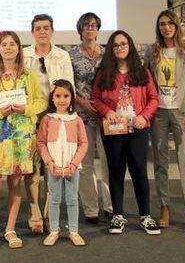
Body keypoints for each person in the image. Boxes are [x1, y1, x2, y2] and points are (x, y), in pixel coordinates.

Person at [0, 31, 47, 249]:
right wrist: (0, 112)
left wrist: (25, 108)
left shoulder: (29, 77)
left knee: (15, 183)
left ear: (19, 48)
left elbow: (41, 102)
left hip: (22, 136)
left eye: (12, 44)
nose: (8, 48)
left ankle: (10, 229)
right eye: (4, 44)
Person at [91, 30, 160, 235]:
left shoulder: (142, 72)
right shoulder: (104, 72)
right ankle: (117, 215)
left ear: (129, 46)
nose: (120, 47)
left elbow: (154, 99)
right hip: (114, 130)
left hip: (138, 129)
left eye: (123, 43)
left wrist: (144, 116)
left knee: (139, 171)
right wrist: (108, 111)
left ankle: (145, 216)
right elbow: (95, 98)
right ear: (111, 49)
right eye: (115, 45)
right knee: (116, 171)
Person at [144, 10, 185, 232]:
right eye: (162, 24)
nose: (166, 27)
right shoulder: (152, 50)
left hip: (181, 111)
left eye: (170, 23)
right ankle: (164, 207)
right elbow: (147, 82)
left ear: (177, 25)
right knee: (160, 163)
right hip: (159, 113)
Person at [23, 13, 74, 233]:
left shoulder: (62, 55)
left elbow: (69, 87)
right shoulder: (24, 55)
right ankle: (34, 215)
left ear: (52, 31)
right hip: (29, 117)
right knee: (32, 169)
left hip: (54, 117)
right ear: (32, 31)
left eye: (46, 28)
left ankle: (48, 215)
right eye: (38, 28)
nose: (42, 32)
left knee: (51, 166)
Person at [68, 12, 112, 224]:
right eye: (86, 25)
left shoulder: (107, 54)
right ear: (80, 30)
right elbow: (68, 84)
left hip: (105, 116)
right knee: (85, 165)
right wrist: (83, 102)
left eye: (93, 25)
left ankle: (112, 206)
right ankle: (91, 208)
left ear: (98, 28)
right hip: (82, 114)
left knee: (108, 162)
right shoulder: (71, 54)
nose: (90, 28)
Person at [37, 79, 88, 247]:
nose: (62, 99)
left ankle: (73, 231)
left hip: (72, 168)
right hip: (54, 167)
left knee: (72, 199)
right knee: (54, 199)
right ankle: (54, 230)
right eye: (58, 96)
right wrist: (49, 162)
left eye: (66, 96)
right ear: (52, 98)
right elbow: (41, 143)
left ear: (71, 98)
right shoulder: (47, 119)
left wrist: (74, 164)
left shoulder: (77, 120)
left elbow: (83, 143)